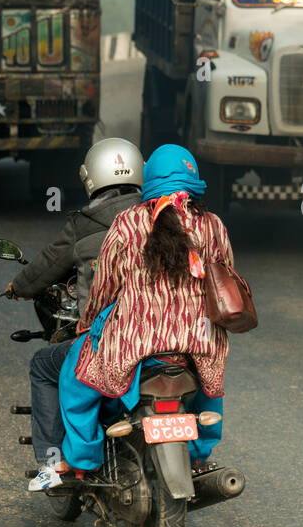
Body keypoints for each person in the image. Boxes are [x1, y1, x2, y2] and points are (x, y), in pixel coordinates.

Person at [55, 143, 235, 480]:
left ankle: (82, 460)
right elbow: (225, 280)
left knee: (74, 379)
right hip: (198, 344)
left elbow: (105, 287)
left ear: (148, 180)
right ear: (194, 179)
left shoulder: (127, 224)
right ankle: (198, 455)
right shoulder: (212, 226)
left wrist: (88, 324)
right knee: (210, 388)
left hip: (136, 346)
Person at [5, 138, 144, 493]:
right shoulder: (159, 215)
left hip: (113, 339)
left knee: (46, 366)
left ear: (91, 177)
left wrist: (19, 286)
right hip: (168, 337)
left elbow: (49, 263)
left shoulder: (88, 223)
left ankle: (53, 463)